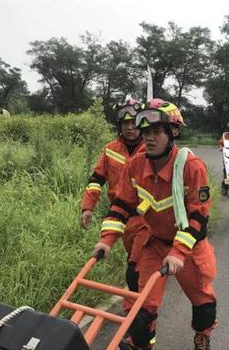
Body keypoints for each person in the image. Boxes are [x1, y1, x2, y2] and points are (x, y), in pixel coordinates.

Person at [92, 99, 217, 350]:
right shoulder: (135, 165)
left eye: (157, 132)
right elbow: (121, 206)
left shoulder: (191, 167)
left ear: (173, 133)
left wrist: (178, 253)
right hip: (155, 244)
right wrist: (106, 241)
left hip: (189, 249)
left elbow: (198, 217)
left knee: (203, 305)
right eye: (146, 132)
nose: (149, 138)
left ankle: (202, 335)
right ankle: (142, 345)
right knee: (142, 310)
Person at [80, 98, 147, 305]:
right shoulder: (110, 149)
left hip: (144, 218)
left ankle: (138, 321)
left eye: (134, 122)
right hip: (118, 215)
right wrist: (87, 207)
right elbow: (96, 179)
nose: (129, 127)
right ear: (119, 126)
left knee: (135, 269)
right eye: (125, 123)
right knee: (136, 265)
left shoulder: (151, 149)